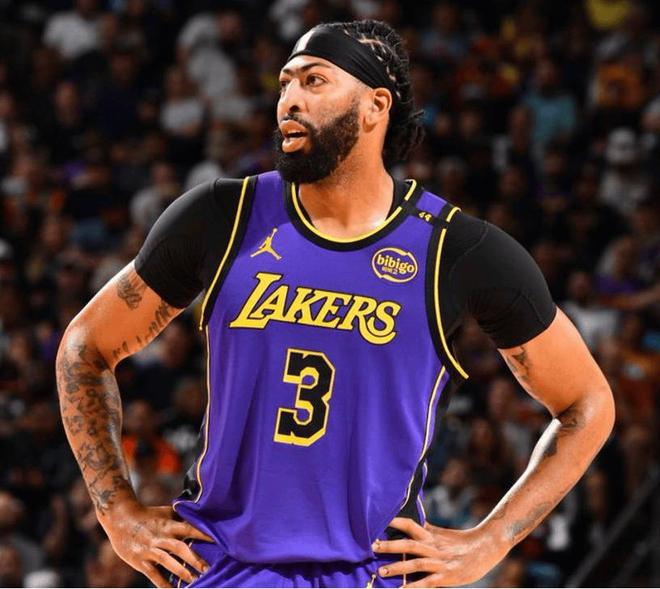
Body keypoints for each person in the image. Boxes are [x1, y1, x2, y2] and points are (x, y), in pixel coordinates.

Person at [56, 19, 615, 588]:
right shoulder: (221, 217)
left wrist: (492, 539)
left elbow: (587, 403)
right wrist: (116, 511)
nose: (289, 100)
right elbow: (85, 346)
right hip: (220, 566)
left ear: (376, 105)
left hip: (371, 571)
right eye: (285, 83)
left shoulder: (457, 250)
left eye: (314, 81)